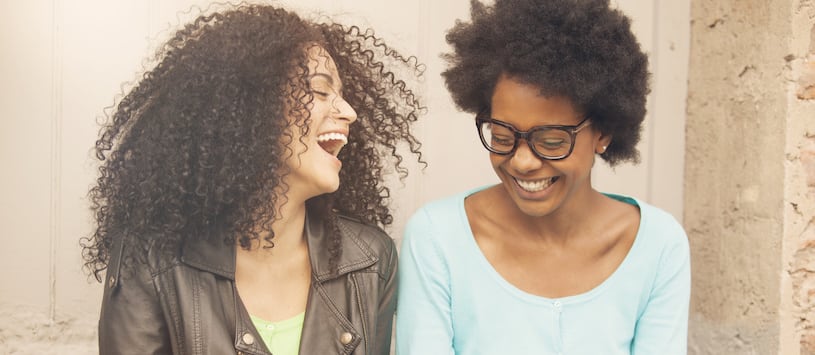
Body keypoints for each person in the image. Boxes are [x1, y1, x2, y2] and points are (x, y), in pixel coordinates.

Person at [81, 4, 423, 354]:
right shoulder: (149, 261)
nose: (348, 112)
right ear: (252, 107)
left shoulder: (369, 260)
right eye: (321, 92)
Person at [396, 0, 690, 354]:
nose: (522, 161)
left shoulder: (658, 246)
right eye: (502, 137)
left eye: (551, 141)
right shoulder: (437, 238)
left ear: (604, 133)